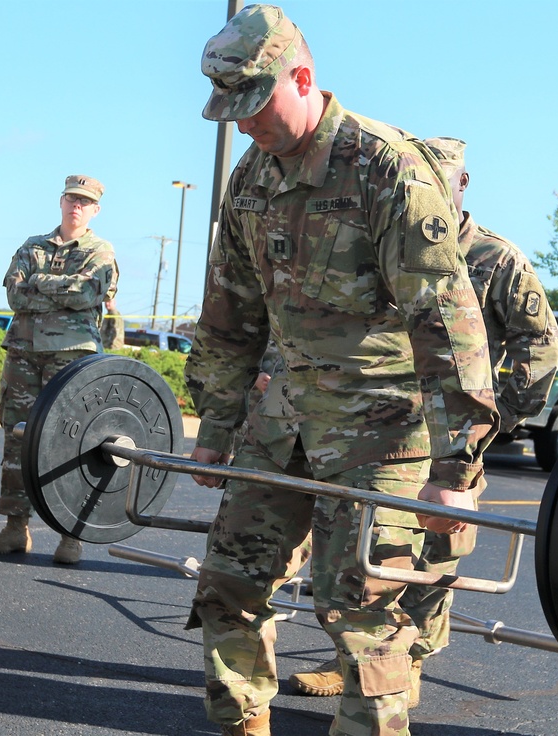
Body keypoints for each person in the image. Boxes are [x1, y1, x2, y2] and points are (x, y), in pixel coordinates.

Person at [185, 6, 497, 736]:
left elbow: (448, 328)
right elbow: (231, 315)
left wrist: (456, 471)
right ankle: (241, 725)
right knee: (229, 586)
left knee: (361, 613)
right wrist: (216, 426)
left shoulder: (386, 169)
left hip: (380, 430)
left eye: (255, 105)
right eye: (231, 111)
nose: (245, 124)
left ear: (303, 76)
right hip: (283, 419)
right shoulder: (251, 177)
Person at [288, 137, 558, 701]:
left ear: (462, 186)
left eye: (445, 179)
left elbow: (539, 345)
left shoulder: (495, 258)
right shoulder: (384, 239)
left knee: (436, 554)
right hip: (378, 430)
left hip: (450, 436)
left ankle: (407, 669)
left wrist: (496, 418)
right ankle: (361, 667)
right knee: (365, 553)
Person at [0, 175, 119, 565]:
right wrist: (60, 291)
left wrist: (38, 283)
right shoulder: (32, 246)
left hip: (71, 357)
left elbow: (89, 293)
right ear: (61, 201)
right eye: (71, 198)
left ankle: (69, 535)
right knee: (16, 438)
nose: (76, 205)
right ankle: (14, 528)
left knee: (71, 443)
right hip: (23, 353)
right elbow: (14, 294)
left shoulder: (100, 251)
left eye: (85, 201)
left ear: (95, 210)